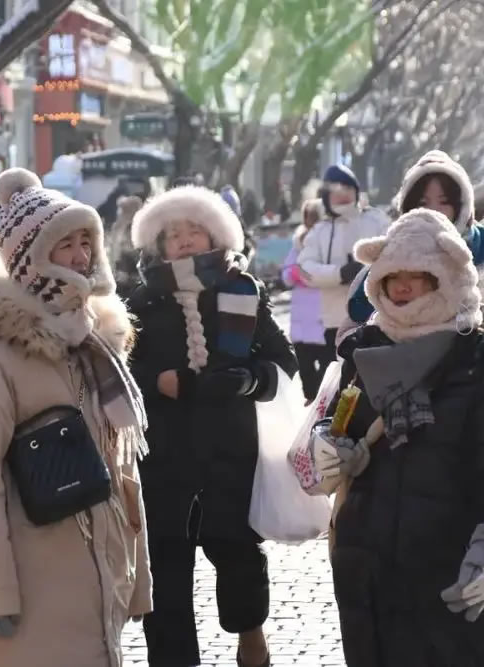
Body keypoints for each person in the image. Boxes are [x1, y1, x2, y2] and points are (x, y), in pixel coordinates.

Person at [0, 168, 152, 667]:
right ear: (30, 257)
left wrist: (136, 574)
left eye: (86, 242)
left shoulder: (96, 348)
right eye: (65, 244)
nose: (81, 256)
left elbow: (122, 471)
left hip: (96, 579)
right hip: (32, 580)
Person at [315, 208, 484, 667]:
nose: (404, 287)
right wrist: (332, 447)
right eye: (394, 276)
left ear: (447, 277)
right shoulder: (363, 352)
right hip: (369, 573)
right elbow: (336, 423)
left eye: (419, 276)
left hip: (450, 564)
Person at [128, 185, 297, 667]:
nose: (184, 240)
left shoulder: (243, 290)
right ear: (159, 245)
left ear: (216, 235)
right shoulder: (141, 301)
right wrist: (158, 383)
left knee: (238, 552)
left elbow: (283, 362)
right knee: (166, 568)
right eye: (173, 234)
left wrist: (249, 379)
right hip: (163, 455)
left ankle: (252, 637)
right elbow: (120, 370)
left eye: (194, 230)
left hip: (230, 451)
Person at [343, 151, 484, 465]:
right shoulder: (386, 263)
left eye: (444, 201)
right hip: (391, 434)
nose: (434, 210)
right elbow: (350, 342)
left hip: (469, 428)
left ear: (462, 207)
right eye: (422, 202)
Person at [297, 164, 390, 360]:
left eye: (347, 187)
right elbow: (305, 269)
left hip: (375, 317)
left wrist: (367, 271)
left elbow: (392, 254)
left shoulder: (376, 220)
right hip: (333, 320)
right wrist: (338, 273)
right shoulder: (320, 230)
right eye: (335, 189)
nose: (343, 194)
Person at [283, 198, 327, 401]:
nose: (312, 221)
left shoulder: (330, 241)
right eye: (309, 217)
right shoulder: (298, 242)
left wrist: (315, 275)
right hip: (302, 317)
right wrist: (297, 274)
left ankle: (323, 400)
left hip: (324, 316)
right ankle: (311, 399)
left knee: (327, 365)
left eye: (315, 216)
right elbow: (286, 275)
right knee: (305, 365)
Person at [106, 194, 143, 297]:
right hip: (120, 267)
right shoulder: (118, 226)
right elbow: (114, 248)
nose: (121, 212)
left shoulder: (137, 226)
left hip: (132, 268)